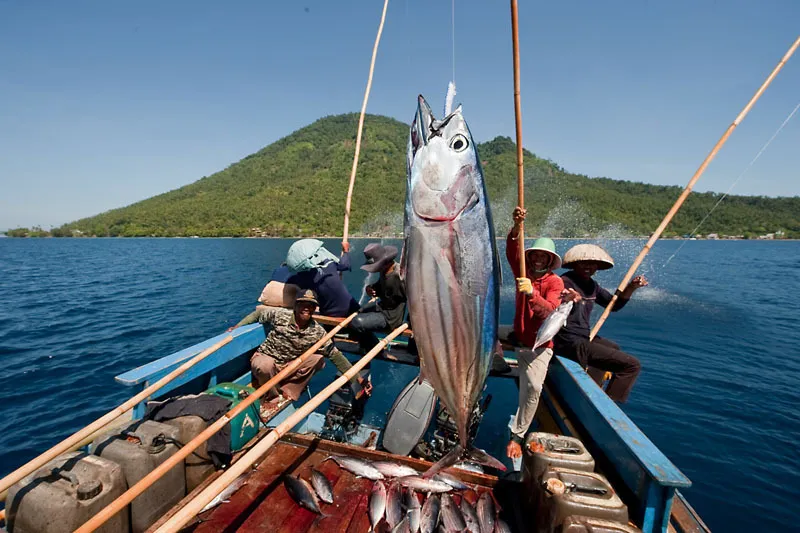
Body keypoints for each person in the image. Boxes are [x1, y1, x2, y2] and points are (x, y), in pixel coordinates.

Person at [505, 207, 580, 459]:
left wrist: (531, 294)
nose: (537, 260)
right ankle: (495, 360)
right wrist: (516, 226)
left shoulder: (555, 283)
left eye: (543, 257)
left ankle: (517, 434)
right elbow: (512, 251)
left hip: (538, 346)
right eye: (534, 255)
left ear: (550, 261)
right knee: (482, 334)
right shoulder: (522, 272)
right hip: (517, 335)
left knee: (534, 388)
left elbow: (549, 311)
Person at [231, 289, 372, 410]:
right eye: (303, 304)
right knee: (265, 366)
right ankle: (271, 396)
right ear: (296, 305)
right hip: (267, 357)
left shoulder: (317, 331)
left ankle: (288, 389)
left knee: (319, 360)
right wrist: (237, 328)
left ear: (314, 308)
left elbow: (336, 356)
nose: (307, 308)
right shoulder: (281, 316)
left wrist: (358, 379)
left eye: (311, 305)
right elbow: (257, 315)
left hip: (288, 366)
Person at [553, 244, 648, 403]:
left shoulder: (592, 285)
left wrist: (631, 287)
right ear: (575, 263)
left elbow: (614, 305)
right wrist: (570, 297)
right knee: (632, 365)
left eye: (592, 264)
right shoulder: (565, 281)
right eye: (584, 263)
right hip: (567, 340)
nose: (588, 267)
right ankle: (608, 406)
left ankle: (592, 388)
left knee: (613, 347)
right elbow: (561, 296)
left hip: (582, 337)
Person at [271, 239, 359, 317]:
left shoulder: (301, 277)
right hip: (351, 307)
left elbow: (284, 278)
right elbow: (345, 265)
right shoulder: (329, 264)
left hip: (329, 314)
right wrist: (346, 251)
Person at [349, 244, 407, 353]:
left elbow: (413, 300)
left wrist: (411, 323)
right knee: (356, 310)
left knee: (357, 322)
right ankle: (368, 342)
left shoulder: (399, 276)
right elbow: (381, 287)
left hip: (391, 317)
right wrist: (371, 288)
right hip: (381, 307)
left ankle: (374, 348)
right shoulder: (384, 270)